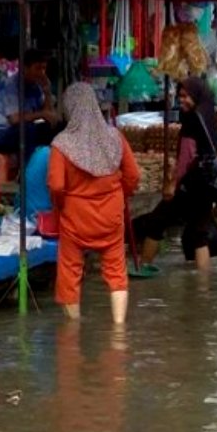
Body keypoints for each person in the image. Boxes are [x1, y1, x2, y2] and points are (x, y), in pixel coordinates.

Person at [48, 82, 140, 324]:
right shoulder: (115, 138)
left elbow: (56, 185)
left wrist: (61, 204)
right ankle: (119, 328)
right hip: (111, 215)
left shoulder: (61, 145)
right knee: (116, 270)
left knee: (70, 272)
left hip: (75, 218)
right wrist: (120, 196)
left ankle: (73, 329)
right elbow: (133, 176)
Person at [135, 76, 217, 271]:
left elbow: (186, 158)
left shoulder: (192, 120)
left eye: (186, 96)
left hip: (189, 184)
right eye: (180, 96)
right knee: (199, 235)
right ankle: (204, 285)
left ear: (196, 96)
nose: (181, 100)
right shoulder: (208, 116)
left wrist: (172, 185)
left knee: (156, 222)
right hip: (207, 186)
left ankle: (143, 267)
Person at [0, 48, 59, 163]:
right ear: (25, 68)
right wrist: (43, 114)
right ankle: (27, 170)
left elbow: (49, 115)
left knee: (54, 127)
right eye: (38, 68)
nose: (42, 73)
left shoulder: (36, 88)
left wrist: (47, 91)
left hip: (20, 132)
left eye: (44, 68)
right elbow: (14, 119)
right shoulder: (11, 85)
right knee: (27, 129)